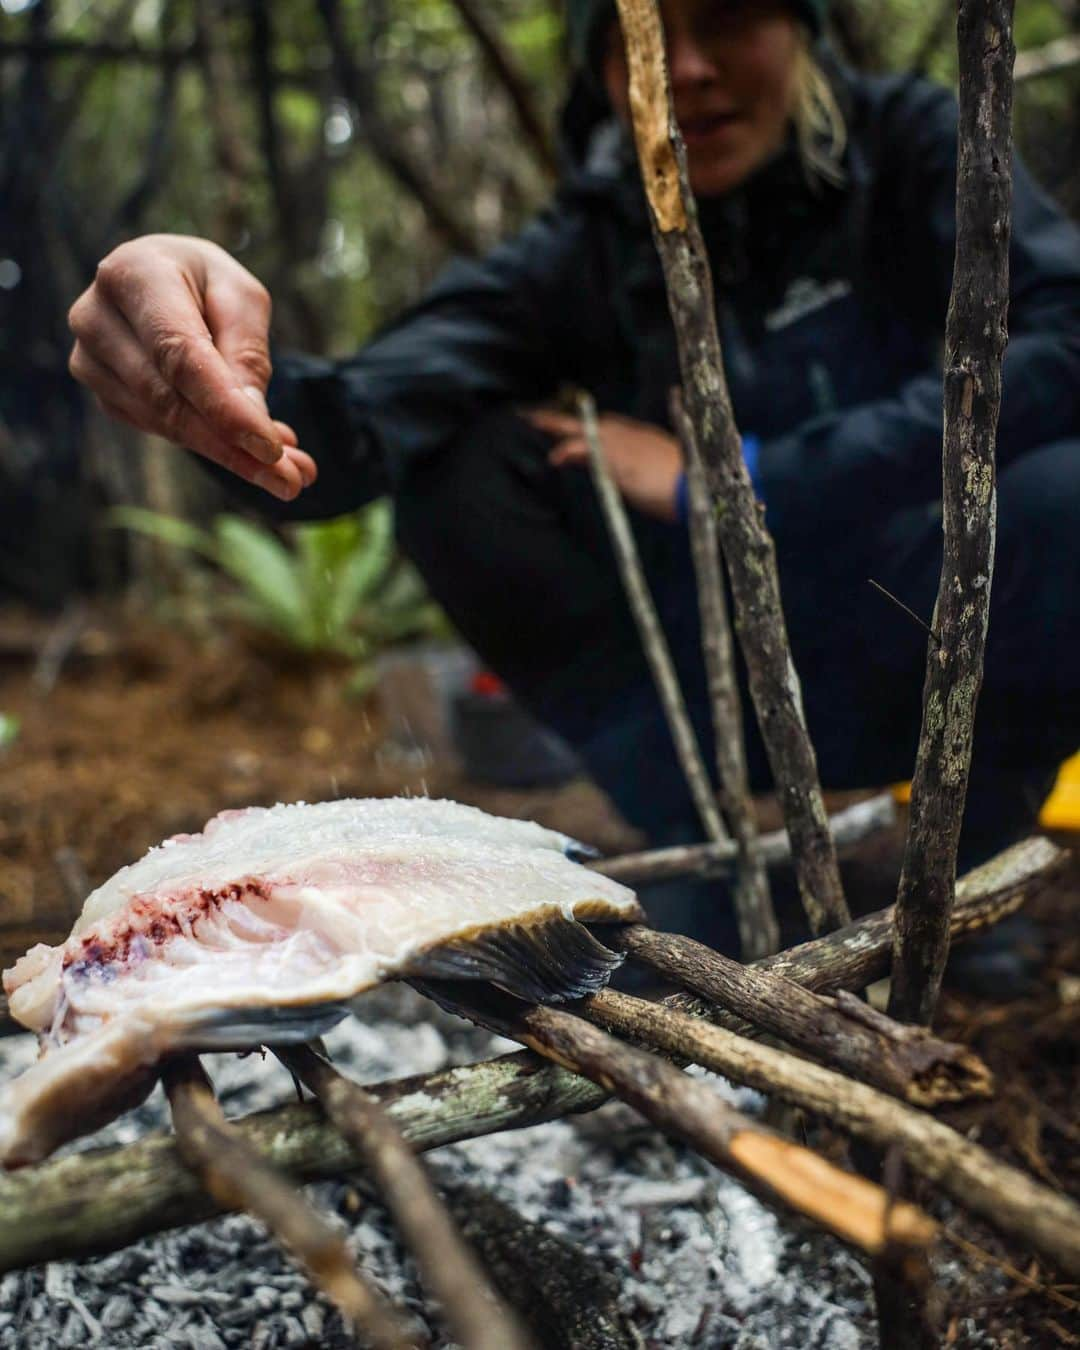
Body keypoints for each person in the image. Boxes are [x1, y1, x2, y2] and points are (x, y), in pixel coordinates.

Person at [67, 0, 1080, 964]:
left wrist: (738, 481)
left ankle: (976, 859)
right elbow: (371, 418)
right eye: (644, 37)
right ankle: (697, 859)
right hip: (701, 694)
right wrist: (217, 372)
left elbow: (1063, 341)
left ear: (801, 28)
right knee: (459, 465)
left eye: (727, 17)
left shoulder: (908, 150)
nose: (687, 68)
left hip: (930, 640)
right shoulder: (595, 240)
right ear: (606, 70)